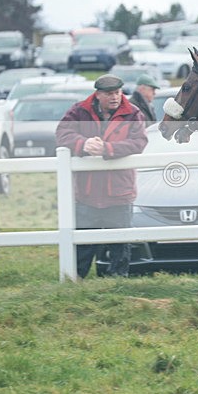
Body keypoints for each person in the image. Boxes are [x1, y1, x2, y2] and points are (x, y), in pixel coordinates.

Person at [55, 74, 148, 278]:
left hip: (119, 191)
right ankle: (75, 281)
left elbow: (139, 142)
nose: (114, 97)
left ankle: (117, 282)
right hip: (87, 192)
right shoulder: (79, 110)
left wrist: (108, 149)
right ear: (98, 95)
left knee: (120, 243)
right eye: (109, 93)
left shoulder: (133, 113)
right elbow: (62, 133)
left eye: (117, 92)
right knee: (83, 244)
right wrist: (83, 144)